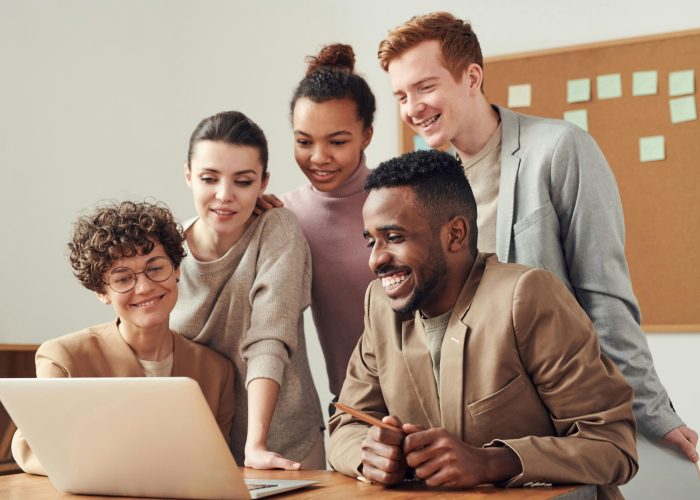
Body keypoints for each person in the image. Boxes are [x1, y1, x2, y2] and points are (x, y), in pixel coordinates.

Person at [377, 11, 698, 462]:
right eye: (401, 96)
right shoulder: (426, 187)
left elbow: (603, 295)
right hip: (463, 434)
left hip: (557, 426)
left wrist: (652, 412)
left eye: (425, 87)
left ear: (472, 77)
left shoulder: (559, 149)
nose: (412, 108)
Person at [328, 150, 638, 499]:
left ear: (456, 234)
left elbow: (613, 446)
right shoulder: (380, 306)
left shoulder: (526, 297)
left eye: (394, 238)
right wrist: (369, 456)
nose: (375, 260)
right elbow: (346, 424)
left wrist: (490, 462)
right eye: (371, 241)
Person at [12, 201, 235, 475]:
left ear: (177, 270)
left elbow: (215, 467)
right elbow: (32, 449)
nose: (144, 287)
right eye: (122, 278)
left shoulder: (216, 372)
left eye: (155, 268)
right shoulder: (64, 359)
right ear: (101, 292)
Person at [169, 111, 325, 470]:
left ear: (263, 183)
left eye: (243, 181)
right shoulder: (167, 248)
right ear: (189, 176)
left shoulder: (277, 230)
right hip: (197, 451)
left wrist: (255, 446)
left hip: (281, 447)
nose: (224, 196)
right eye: (209, 178)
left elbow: (268, 337)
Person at [281, 43, 376, 409]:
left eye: (337, 142)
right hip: (355, 408)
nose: (318, 158)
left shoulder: (401, 201)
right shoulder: (286, 214)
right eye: (304, 141)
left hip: (434, 401)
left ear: (366, 135)